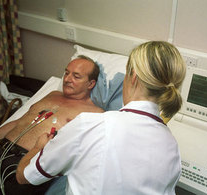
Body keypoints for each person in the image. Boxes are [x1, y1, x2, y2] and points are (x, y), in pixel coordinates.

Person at [16, 41, 187, 194]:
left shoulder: (91, 124)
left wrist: (38, 148)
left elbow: (24, 176)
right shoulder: (172, 147)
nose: (68, 79)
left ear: (133, 76)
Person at [0, 55, 104, 195]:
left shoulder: (94, 113)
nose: (67, 79)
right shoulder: (53, 94)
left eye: (76, 76)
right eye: (66, 73)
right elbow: (19, 121)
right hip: (0, 148)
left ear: (90, 84)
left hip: (25, 165)